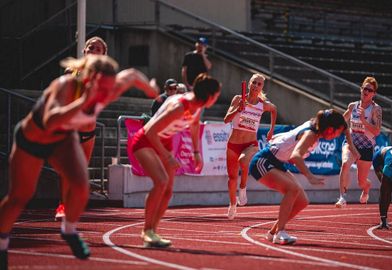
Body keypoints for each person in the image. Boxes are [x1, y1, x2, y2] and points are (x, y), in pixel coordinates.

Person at [0, 55, 158, 268]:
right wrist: (83, 102)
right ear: (88, 79)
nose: (106, 94)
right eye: (101, 88)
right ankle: (2, 241)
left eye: (109, 88)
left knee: (82, 186)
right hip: (32, 139)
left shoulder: (110, 88)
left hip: (63, 140)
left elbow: (131, 75)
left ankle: (69, 230)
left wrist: (149, 89)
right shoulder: (66, 86)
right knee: (20, 196)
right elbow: (50, 120)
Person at [128, 73, 221, 248]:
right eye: (216, 96)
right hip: (146, 141)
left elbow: (194, 126)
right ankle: (146, 230)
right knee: (161, 181)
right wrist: (167, 156)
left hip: (165, 141)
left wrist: (196, 152)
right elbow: (150, 131)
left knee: (168, 190)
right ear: (209, 96)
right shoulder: (180, 106)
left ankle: (152, 232)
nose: (217, 99)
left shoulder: (198, 105)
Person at [249, 109, 347, 245]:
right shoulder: (311, 134)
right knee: (292, 189)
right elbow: (296, 156)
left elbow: (291, 137)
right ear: (330, 129)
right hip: (263, 162)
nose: (337, 136)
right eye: (338, 132)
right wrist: (310, 176)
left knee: (302, 201)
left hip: (276, 163)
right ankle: (280, 233)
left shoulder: (314, 127)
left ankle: (272, 233)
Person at [55, 36, 109, 221]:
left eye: (98, 49)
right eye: (90, 47)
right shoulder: (72, 72)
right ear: (84, 51)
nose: (93, 50)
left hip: (88, 131)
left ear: (103, 55)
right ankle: (62, 206)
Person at [223, 74, 277, 219]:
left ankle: (243, 187)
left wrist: (272, 130)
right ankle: (233, 204)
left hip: (250, 144)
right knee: (232, 177)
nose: (256, 85)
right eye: (254, 82)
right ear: (249, 84)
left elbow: (274, 110)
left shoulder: (263, 104)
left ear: (261, 88)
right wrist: (238, 110)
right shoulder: (238, 99)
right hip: (233, 143)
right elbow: (226, 119)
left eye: (259, 84)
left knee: (244, 160)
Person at [335, 76, 382, 208]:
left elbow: (377, 132)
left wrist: (363, 120)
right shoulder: (352, 106)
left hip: (366, 146)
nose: (366, 91)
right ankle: (342, 198)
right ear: (361, 89)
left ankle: (367, 188)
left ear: (374, 94)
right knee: (345, 164)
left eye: (369, 90)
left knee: (361, 182)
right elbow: (342, 120)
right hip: (351, 143)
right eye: (364, 88)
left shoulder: (375, 109)